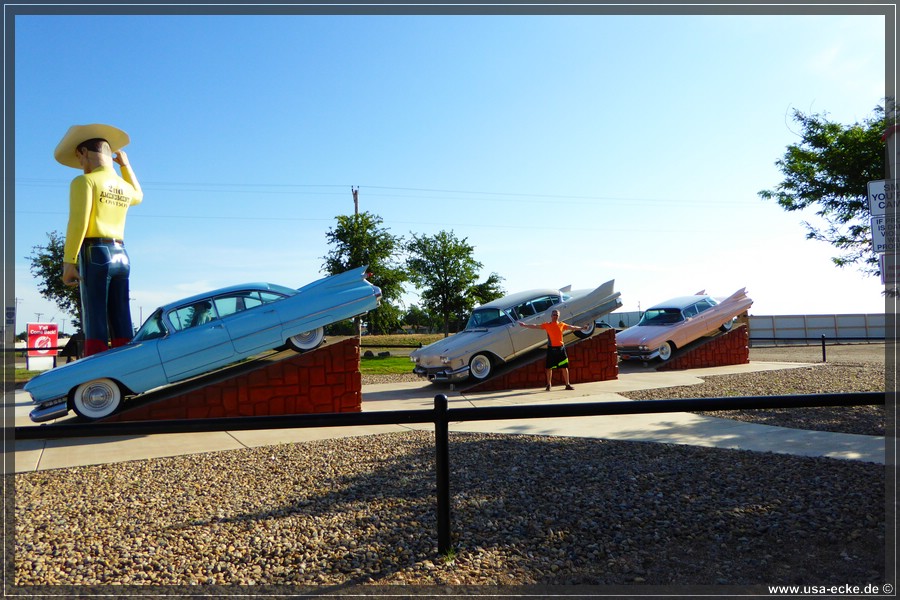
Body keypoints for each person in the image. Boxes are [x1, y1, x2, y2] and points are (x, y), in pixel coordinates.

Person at [54, 124, 143, 357]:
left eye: (79, 158)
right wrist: (125, 165)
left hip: (95, 252)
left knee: (95, 316)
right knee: (121, 313)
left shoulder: (84, 182)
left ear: (84, 153)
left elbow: (78, 223)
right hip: (122, 254)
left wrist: (68, 262)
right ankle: (128, 360)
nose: (81, 164)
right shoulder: (124, 188)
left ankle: (96, 367)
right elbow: (139, 195)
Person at [518, 310, 588, 391]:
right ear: (551, 316)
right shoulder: (547, 325)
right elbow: (535, 326)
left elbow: (572, 327)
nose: (555, 316)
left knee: (564, 367)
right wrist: (525, 325)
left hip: (561, 349)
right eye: (554, 314)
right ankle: (549, 384)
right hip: (551, 349)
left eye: (557, 315)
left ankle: (567, 384)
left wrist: (582, 328)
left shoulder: (562, 324)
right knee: (549, 368)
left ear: (559, 316)